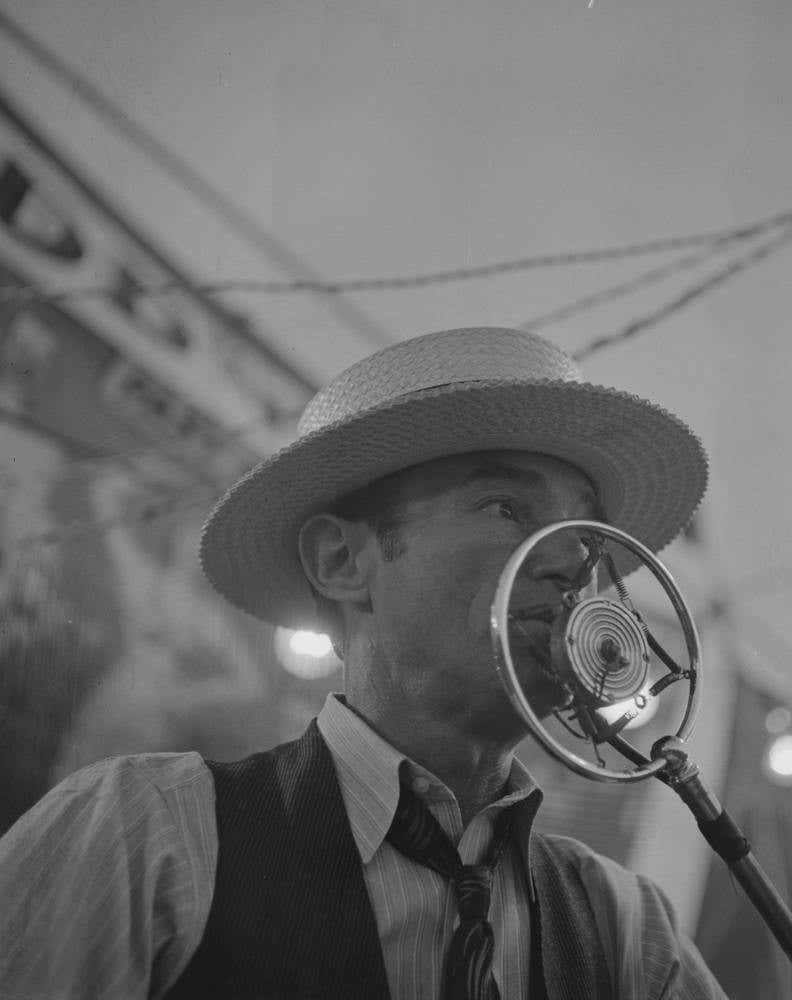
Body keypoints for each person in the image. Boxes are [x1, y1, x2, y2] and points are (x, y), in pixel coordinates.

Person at [0, 326, 727, 999]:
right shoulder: (145, 838)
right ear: (342, 560)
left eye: (589, 537)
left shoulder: (632, 937)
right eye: (506, 508)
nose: (573, 561)